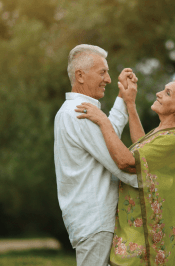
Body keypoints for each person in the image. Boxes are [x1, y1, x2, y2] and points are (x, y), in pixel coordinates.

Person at [76, 77, 175, 265]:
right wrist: (130, 103)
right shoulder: (163, 133)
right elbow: (142, 150)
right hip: (133, 232)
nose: (159, 93)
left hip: (144, 243)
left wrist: (102, 120)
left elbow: (127, 162)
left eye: (168, 92)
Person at [54, 44, 140, 266]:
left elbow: (108, 134)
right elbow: (119, 162)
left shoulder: (78, 110)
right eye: (102, 72)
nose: (108, 79)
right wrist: (152, 182)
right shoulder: (78, 112)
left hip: (93, 220)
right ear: (80, 76)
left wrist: (123, 96)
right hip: (95, 220)